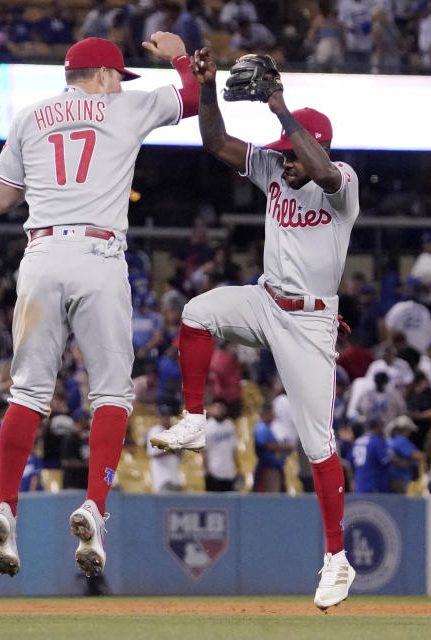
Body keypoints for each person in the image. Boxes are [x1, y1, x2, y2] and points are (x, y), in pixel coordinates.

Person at [0, 32, 199, 581]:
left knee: (28, 392)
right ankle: (94, 508)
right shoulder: (122, 105)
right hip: (99, 253)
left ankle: (6, 503)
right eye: (117, 75)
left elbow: (0, 199)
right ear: (104, 76)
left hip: (42, 252)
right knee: (110, 392)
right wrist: (177, 55)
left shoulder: (31, 116)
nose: (119, 82)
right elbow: (193, 98)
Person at [150, 47, 359, 609]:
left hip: (311, 322)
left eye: (288, 154)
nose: (281, 162)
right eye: (281, 155)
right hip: (267, 301)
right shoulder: (273, 167)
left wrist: (278, 107)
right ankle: (193, 419)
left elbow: (317, 169)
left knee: (318, 445)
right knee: (197, 312)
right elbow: (216, 144)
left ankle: (337, 559)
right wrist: (209, 87)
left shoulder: (341, 180)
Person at [253, 402, 292, 492]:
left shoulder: (269, 428)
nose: (273, 416)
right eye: (271, 413)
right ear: (266, 414)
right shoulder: (261, 427)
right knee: (271, 493)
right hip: (268, 469)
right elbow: (269, 446)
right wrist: (287, 447)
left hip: (274, 467)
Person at [146, 405, 183, 492]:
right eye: (163, 416)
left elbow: (179, 454)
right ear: (157, 417)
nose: (166, 418)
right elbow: (154, 454)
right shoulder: (155, 431)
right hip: (162, 480)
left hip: (175, 478)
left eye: (167, 416)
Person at [203, 400, 238, 491]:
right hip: (214, 472)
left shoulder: (230, 425)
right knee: (215, 504)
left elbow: (233, 449)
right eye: (216, 407)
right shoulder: (207, 427)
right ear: (211, 409)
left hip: (229, 472)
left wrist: (238, 467)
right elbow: (204, 452)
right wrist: (206, 471)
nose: (219, 410)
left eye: (221, 407)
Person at [351, 418, 391, 494]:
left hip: (360, 484)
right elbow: (386, 460)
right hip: (375, 483)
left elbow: (351, 462)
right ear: (378, 427)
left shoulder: (358, 440)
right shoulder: (377, 440)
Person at [386, 416, 424, 493]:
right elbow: (419, 456)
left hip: (390, 479)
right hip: (400, 480)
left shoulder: (389, 440)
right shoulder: (401, 441)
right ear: (405, 430)